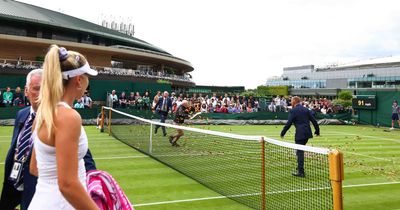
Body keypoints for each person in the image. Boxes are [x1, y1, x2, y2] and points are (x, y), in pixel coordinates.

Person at [0, 68, 96, 210]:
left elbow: (80, 156)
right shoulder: (22, 114)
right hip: (14, 187)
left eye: (44, 88)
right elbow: (19, 151)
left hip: (40, 193)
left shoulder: (62, 117)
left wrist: (93, 178)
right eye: (37, 89)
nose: (41, 93)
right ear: (26, 91)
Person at [28, 45, 98, 209]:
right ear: (79, 80)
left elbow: (34, 168)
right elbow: (67, 185)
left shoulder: (43, 113)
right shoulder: (69, 117)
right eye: (87, 77)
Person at [280, 96, 320, 178]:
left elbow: (289, 123)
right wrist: (317, 131)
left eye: (291, 101)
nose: (291, 102)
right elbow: (314, 121)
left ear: (294, 102)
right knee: (300, 151)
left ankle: (301, 172)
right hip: (307, 133)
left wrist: (283, 133)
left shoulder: (293, 111)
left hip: (300, 134)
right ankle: (299, 167)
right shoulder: (306, 109)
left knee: (300, 152)